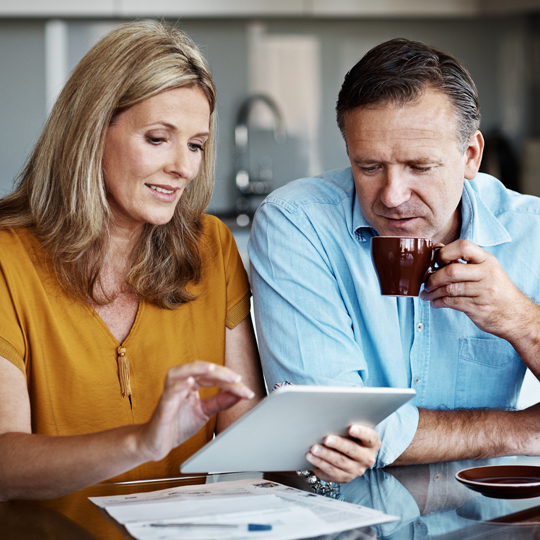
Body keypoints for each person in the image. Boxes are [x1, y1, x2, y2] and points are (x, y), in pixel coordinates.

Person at [0, 20, 267, 501]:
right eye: (158, 138)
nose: (184, 168)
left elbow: (245, 435)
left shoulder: (211, 246)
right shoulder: (7, 260)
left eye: (196, 145)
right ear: (91, 131)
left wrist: (324, 455)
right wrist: (141, 442)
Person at [249, 38, 540, 479]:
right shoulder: (297, 223)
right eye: (368, 167)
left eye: (419, 167)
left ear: (470, 156)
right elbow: (326, 427)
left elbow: (366, 433)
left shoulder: (530, 230)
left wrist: (519, 319)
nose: (392, 196)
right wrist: (518, 431)